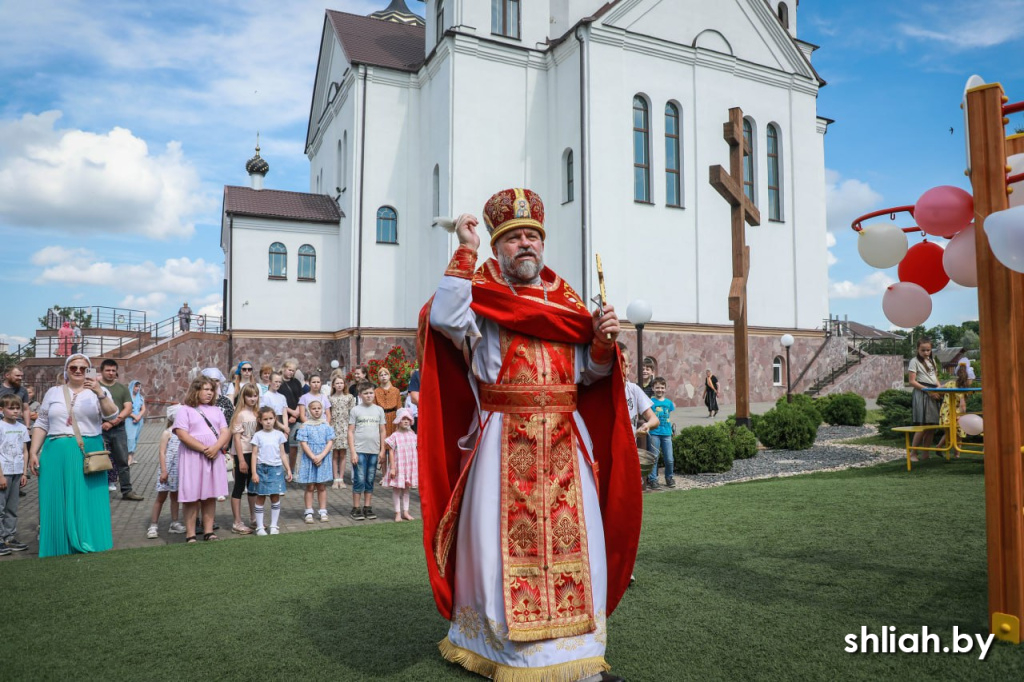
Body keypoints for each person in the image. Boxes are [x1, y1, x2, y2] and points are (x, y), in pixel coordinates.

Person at [419, 191, 640, 681]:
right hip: (504, 440)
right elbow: (443, 319)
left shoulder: (566, 299)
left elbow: (589, 372)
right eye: (514, 237)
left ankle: (579, 659)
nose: (526, 244)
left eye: (532, 236)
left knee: (578, 546)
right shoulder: (481, 296)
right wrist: (465, 248)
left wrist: (603, 342)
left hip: (565, 439)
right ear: (499, 247)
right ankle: (505, 655)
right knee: (499, 553)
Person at [28, 354, 118, 557]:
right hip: (55, 451)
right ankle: (58, 542)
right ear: (66, 370)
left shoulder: (99, 390)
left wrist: (100, 393)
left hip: (87, 450)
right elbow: (42, 423)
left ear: (89, 370)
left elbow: (112, 415)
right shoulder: (53, 392)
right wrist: (33, 452)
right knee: (55, 496)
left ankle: (90, 537)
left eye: (83, 368)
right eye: (73, 367)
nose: (78, 371)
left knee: (87, 496)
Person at [173, 377, 231, 543]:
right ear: (196, 390)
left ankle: (208, 531)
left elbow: (225, 431)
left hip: (214, 455)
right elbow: (182, 434)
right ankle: (190, 534)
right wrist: (204, 449)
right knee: (192, 495)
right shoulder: (185, 410)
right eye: (205, 389)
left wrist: (216, 447)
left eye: (211, 390)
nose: (209, 393)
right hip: (193, 456)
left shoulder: (216, 410)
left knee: (210, 495)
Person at [99, 359, 143, 500]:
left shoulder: (122, 388)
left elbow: (128, 408)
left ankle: (127, 490)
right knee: (97, 460)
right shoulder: (95, 387)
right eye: (108, 370)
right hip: (98, 428)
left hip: (118, 429)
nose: (111, 373)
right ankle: (97, 491)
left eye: (113, 370)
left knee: (122, 461)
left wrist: (112, 423)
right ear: (102, 371)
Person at [249, 406, 292, 536]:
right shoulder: (258, 435)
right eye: (265, 419)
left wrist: (288, 469)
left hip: (277, 469)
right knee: (260, 497)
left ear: (275, 419)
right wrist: (254, 473)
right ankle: (260, 527)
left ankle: (274, 525)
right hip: (262, 469)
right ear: (260, 421)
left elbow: (283, 453)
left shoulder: (279, 435)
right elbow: (254, 455)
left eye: (271, 419)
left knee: (275, 496)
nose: (268, 421)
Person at [347, 382, 385, 521]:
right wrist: (353, 452)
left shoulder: (379, 410)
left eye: (371, 393)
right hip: (360, 450)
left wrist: (382, 450)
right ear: (360, 395)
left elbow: (382, 430)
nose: (369, 395)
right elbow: (350, 432)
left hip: (374, 451)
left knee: (370, 479)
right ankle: (356, 508)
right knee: (359, 479)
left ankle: (367, 507)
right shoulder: (355, 410)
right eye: (366, 393)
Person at [147, 407, 186, 538]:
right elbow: (162, 452)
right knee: (161, 497)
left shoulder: (184, 432)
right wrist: (164, 470)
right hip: (168, 470)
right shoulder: (167, 433)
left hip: (179, 471)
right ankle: (153, 525)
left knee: (175, 497)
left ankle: (174, 523)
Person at [295, 398, 335, 523]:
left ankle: (323, 511)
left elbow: (330, 442)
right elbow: (303, 443)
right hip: (309, 458)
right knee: (310, 486)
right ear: (308, 410)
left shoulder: (326, 425)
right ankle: (308, 511)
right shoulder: (305, 426)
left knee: (322, 486)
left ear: (322, 410)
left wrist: (321, 455)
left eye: (319, 409)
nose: (316, 411)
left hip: (323, 458)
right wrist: (313, 456)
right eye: (314, 409)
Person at [0, 395, 30, 554]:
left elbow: (25, 451)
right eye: (11, 408)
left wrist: (24, 472)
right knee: (0, 507)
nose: (15, 411)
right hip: (3, 472)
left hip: (17, 472)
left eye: (17, 408)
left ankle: (9, 537)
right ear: (1, 409)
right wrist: (1, 476)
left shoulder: (22, 427)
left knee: (12, 508)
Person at [230, 384, 260, 534]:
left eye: (255, 395)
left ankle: (254, 518)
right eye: (249, 395)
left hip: (254, 453)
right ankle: (237, 521)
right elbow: (236, 439)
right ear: (244, 397)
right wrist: (241, 460)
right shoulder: (240, 414)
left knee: (253, 487)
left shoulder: (257, 413)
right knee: (239, 487)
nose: (253, 398)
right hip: (243, 453)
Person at [908, 337, 942, 462]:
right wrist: (928, 390)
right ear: (918, 349)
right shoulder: (914, 361)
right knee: (923, 425)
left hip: (933, 392)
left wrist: (939, 389)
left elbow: (935, 378)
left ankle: (925, 454)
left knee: (932, 425)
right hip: (922, 393)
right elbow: (912, 381)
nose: (926, 352)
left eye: (928, 350)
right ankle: (913, 453)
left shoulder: (932, 360)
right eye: (923, 350)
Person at [383, 408, 418, 522]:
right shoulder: (395, 436)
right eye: (403, 418)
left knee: (406, 490)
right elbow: (391, 452)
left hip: (409, 466)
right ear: (398, 420)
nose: (406, 421)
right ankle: (397, 513)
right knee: (397, 489)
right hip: (399, 467)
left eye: (408, 418)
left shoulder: (413, 435)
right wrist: (393, 468)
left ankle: (406, 512)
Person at [647, 377, 676, 489]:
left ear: (665, 389)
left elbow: (669, 417)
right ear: (653, 388)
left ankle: (669, 477)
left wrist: (672, 429)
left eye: (662, 387)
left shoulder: (669, 403)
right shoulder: (650, 402)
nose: (660, 389)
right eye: (657, 387)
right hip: (654, 433)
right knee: (654, 457)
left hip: (667, 433)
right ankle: (653, 479)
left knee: (669, 458)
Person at [328, 373, 356, 489]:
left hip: (345, 427)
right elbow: (328, 413)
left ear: (344, 384)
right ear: (333, 385)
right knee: (335, 454)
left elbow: (352, 413)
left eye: (341, 383)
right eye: (337, 383)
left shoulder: (349, 397)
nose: (339, 385)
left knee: (343, 454)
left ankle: (342, 478)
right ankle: (335, 478)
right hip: (334, 427)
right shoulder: (330, 398)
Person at [278, 360, 303, 474]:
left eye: (293, 371)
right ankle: (283, 469)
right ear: (283, 368)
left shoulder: (296, 382)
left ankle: (291, 470)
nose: (291, 373)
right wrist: (291, 412)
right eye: (289, 370)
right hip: (282, 417)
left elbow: (300, 398)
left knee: (294, 445)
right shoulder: (279, 382)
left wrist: (296, 412)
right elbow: (278, 400)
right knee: (282, 445)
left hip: (295, 417)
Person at [374, 367, 401, 440]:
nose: (383, 376)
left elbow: (399, 407)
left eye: (385, 374)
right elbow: (374, 407)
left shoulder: (396, 390)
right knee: (383, 438)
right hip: (382, 417)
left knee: (394, 438)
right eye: (381, 375)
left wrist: (399, 420)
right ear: (379, 378)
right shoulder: (376, 391)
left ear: (389, 376)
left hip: (393, 416)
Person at [125, 380, 146, 466]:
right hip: (130, 420)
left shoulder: (140, 397)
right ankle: (128, 457)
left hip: (139, 421)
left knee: (135, 438)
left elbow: (143, 408)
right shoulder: (127, 397)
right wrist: (134, 416)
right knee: (130, 438)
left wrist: (139, 416)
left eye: (138, 387)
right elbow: (125, 409)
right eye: (136, 386)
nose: (137, 388)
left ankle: (132, 457)